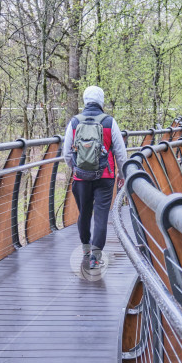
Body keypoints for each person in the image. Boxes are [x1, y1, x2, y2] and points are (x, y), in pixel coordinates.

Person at [63, 86, 127, 269]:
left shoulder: (74, 122)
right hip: (105, 177)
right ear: (101, 100)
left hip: (81, 178)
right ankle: (95, 257)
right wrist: (122, 175)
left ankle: (85, 248)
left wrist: (76, 168)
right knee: (100, 216)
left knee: (84, 212)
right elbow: (121, 153)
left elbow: (66, 153)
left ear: (85, 100)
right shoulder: (109, 122)